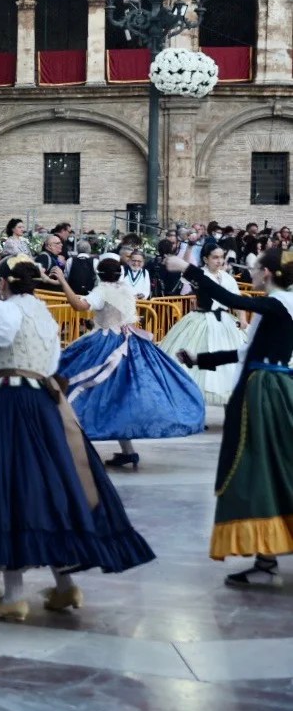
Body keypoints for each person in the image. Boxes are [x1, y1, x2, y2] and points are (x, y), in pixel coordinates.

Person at [0, 253, 155, 623]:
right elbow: (39, 363)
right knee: (53, 489)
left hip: (13, 409)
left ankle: (13, 596)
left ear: (1, 283)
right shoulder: (43, 313)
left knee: (8, 491)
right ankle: (65, 586)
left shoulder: (5, 309)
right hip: (45, 406)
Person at [165, 250, 293, 585]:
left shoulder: (281, 303)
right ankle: (266, 559)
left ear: (266, 272)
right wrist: (200, 359)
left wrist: (189, 269)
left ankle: (266, 563)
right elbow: (245, 351)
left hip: (264, 394)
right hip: (268, 389)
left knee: (258, 469)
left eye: (252, 270)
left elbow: (226, 296)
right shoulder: (278, 307)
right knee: (271, 470)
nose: (249, 275)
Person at [52, 258, 205, 468]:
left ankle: (69, 441)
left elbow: (79, 305)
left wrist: (62, 280)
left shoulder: (102, 291)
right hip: (132, 344)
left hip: (106, 344)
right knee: (121, 395)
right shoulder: (126, 289)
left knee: (75, 383)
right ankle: (128, 451)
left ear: (99, 274)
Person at [160, 245, 246, 407]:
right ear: (206, 259)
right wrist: (188, 249)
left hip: (225, 322)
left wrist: (242, 318)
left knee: (230, 361)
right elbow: (186, 271)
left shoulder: (228, 278)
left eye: (221, 257)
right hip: (201, 320)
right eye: (215, 257)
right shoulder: (200, 274)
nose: (219, 261)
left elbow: (237, 299)